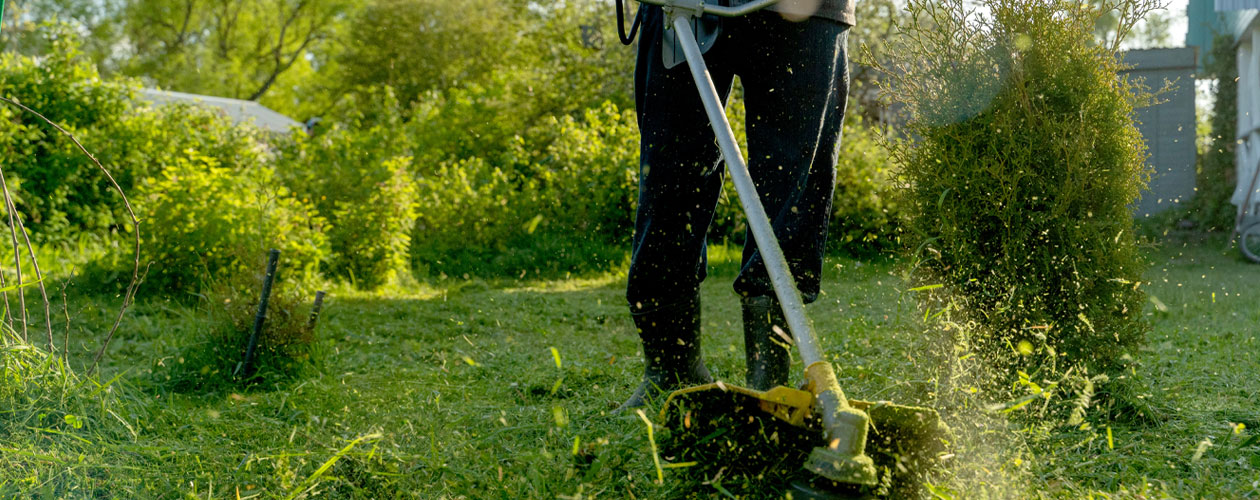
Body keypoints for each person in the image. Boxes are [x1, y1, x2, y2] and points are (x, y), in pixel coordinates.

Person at [618, 0, 855, 411]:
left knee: (794, 191)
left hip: (809, 9)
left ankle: (768, 381)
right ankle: (670, 371)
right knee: (670, 176)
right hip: (681, 4)